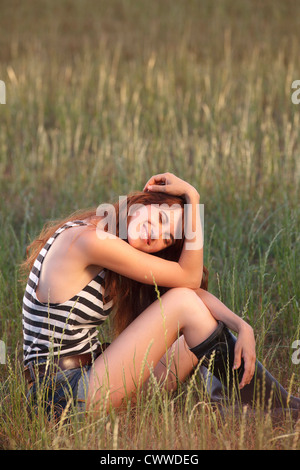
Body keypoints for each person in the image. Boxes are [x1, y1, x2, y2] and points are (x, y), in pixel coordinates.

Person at [22, 172, 299, 419]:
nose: (157, 235)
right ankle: (274, 407)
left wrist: (241, 325)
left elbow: (189, 291)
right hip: (60, 397)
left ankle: (243, 401)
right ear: (142, 202)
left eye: (167, 239)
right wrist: (193, 198)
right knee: (183, 305)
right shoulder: (90, 240)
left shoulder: (108, 231)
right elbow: (187, 283)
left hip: (88, 376)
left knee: (190, 329)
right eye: (159, 218)